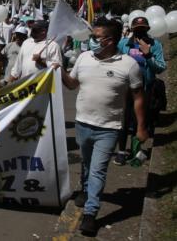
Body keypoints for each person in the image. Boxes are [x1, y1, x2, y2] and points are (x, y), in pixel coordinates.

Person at [54, 18, 148, 235]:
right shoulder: (84, 58)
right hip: (82, 124)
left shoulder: (128, 65)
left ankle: (90, 213)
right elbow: (72, 84)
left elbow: (138, 97)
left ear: (110, 40)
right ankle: (85, 190)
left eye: (96, 37)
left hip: (109, 128)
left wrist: (142, 127)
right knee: (87, 164)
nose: (92, 41)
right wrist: (58, 71)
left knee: (98, 169)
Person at [113, 16, 166, 165]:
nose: (140, 32)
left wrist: (148, 54)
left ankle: (136, 150)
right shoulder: (124, 44)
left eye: (143, 29)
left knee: (139, 121)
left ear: (148, 30)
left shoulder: (155, 45)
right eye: (137, 30)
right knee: (123, 120)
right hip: (125, 89)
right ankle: (121, 151)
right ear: (132, 30)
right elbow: (115, 62)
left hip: (144, 89)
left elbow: (161, 67)